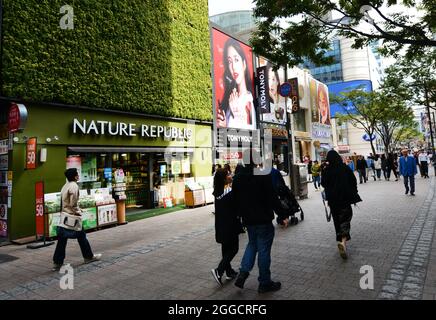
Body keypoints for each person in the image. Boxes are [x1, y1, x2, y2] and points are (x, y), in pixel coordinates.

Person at [232, 149, 285, 293]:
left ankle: (243, 274)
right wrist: (282, 214)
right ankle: (264, 282)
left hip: (248, 220)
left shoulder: (237, 178)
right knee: (263, 250)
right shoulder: (263, 176)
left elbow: (235, 201)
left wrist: (239, 216)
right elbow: (272, 198)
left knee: (252, 244)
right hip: (263, 219)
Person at [52, 168, 101, 271]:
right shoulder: (74, 186)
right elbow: (73, 204)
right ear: (75, 176)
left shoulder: (65, 186)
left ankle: (57, 263)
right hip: (72, 217)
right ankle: (88, 257)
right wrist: (78, 211)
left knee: (62, 240)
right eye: (77, 174)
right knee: (81, 236)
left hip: (64, 217)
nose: (78, 175)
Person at [321, 150, 362, 259]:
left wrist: (323, 170)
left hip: (333, 201)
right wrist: (354, 192)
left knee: (337, 220)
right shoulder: (345, 168)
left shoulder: (327, 170)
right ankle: (343, 242)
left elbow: (323, 183)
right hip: (345, 199)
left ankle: (340, 240)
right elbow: (353, 181)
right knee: (345, 218)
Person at [211, 168, 243, 286]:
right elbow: (237, 205)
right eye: (228, 174)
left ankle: (229, 272)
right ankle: (219, 271)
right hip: (230, 224)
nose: (231, 175)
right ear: (224, 178)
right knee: (234, 248)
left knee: (226, 248)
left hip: (220, 224)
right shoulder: (230, 191)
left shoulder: (217, 191)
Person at [216, 38, 255, 129]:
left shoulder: (248, 100)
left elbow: (249, 134)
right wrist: (223, 125)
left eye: (236, 60)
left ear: (244, 64)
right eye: (230, 61)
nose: (233, 66)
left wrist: (236, 115)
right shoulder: (230, 99)